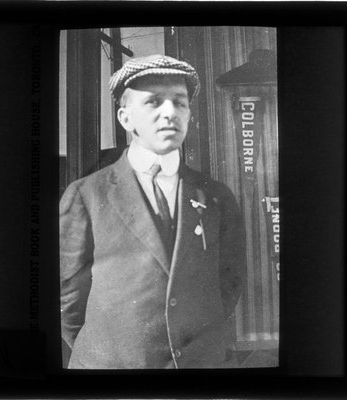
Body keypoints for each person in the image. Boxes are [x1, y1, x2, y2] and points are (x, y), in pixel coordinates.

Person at [60, 54, 246, 369]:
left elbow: (229, 282)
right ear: (125, 118)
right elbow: (68, 297)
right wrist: (112, 349)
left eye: (180, 102)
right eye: (153, 102)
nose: (169, 113)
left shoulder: (216, 197)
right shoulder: (85, 196)